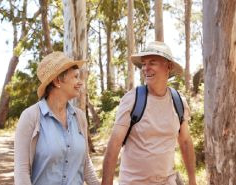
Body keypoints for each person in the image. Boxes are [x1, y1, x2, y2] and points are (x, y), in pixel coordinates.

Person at [101, 41, 197, 185]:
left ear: (169, 66)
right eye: (144, 63)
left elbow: (185, 141)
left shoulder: (179, 101)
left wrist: (192, 181)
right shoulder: (132, 99)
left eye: (152, 62)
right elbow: (114, 144)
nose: (146, 68)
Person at [14, 52, 100, 185]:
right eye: (75, 77)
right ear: (57, 81)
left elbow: (86, 164)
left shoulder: (80, 117)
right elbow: (21, 172)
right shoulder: (30, 117)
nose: (80, 83)